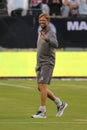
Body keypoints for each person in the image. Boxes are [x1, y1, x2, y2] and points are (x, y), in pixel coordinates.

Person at [32, 13, 68, 118]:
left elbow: (56, 44)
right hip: (40, 63)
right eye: (40, 21)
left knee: (43, 85)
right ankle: (60, 104)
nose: (41, 22)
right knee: (40, 87)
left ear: (48, 21)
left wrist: (47, 39)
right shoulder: (41, 32)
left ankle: (42, 111)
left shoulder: (51, 33)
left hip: (48, 62)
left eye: (44, 21)